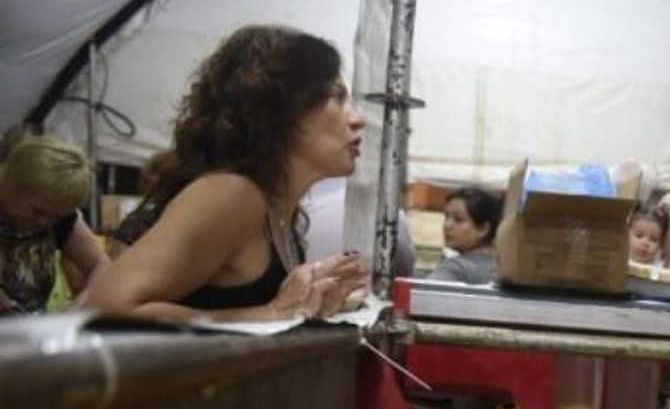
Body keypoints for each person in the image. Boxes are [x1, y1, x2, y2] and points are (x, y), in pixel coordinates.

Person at [81, 25, 367, 322]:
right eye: (336, 97)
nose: (358, 119)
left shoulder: (277, 211)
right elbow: (103, 306)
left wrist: (312, 304)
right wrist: (268, 313)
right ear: (283, 110)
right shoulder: (232, 193)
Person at [0, 131, 110, 313]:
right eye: (38, 210)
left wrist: (83, 301)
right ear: (9, 185)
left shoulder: (60, 217)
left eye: (56, 216)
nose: (45, 222)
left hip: (28, 331)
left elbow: (101, 265)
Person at [430, 186, 500, 284]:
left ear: (483, 229)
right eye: (446, 216)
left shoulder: (457, 268)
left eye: (459, 219)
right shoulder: (505, 268)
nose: (447, 225)